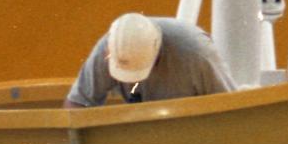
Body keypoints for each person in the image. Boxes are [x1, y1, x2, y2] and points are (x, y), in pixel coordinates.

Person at [65, 11, 235, 108]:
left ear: (158, 51)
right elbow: (78, 104)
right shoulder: (109, 48)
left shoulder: (197, 54)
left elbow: (228, 109)